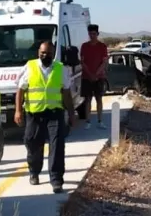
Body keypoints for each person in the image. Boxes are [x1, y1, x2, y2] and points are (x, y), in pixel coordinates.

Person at [14, 40, 75, 193]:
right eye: (42, 53)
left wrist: (71, 113)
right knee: (32, 143)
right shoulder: (30, 67)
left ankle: (56, 180)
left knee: (57, 146)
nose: (45, 55)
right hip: (34, 114)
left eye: (48, 53)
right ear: (38, 53)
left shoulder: (61, 69)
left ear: (53, 54)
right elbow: (20, 90)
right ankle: (34, 172)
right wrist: (18, 111)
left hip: (55, 113)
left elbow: (66, 93)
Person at [80, 24, 109, 129]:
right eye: (90, 34)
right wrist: (90, 74)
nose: (92, 36)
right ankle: (88, 121)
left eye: (94, 34)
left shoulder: (102, 46)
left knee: (99, 99)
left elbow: (104, 62)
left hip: (99, 77)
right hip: (86, 77)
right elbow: (82, 62)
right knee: (87, 99)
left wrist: (96, 74)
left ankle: (100, 121)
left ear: (97, 34)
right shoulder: (84, 46)